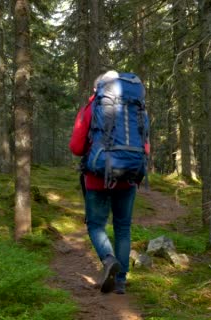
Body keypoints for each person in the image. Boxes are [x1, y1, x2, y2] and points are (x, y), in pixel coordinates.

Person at [69, 71, 149, 295]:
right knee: (123, 228)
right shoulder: (138, 110)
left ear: (98, 89)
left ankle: (108, 259)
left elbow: (76, 147)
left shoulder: (92, 108)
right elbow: (145, 146)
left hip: (97, 178)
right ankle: (121, 282)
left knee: (96, 225)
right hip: (129, 178)